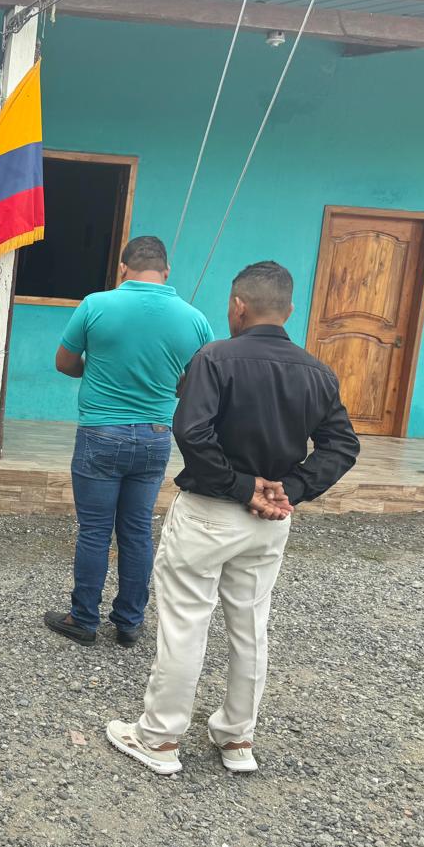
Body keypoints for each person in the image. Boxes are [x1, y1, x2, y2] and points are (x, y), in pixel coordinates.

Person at [107, 262, 359, 775]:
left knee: (185, 623)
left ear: (238, 306)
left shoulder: (214, 358)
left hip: (210, 512)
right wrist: (290, 488)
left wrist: (245, 487)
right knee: (250, 626)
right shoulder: (317, 372)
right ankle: (237, 738)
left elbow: (192, 432)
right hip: (271, 520)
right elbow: (342, 445)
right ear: (289, 310)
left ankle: (159, 738)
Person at [46, 236, 215, 648]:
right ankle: (129, 622)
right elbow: (195, 383)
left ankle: (83, 619)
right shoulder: (194, 319)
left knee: (95, 531)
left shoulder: (95, 305)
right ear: (166, 270)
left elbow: (64, 362)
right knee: (137, 531)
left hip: (100, 432)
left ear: (123, 267)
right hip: (156, 436)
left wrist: (96, 371)